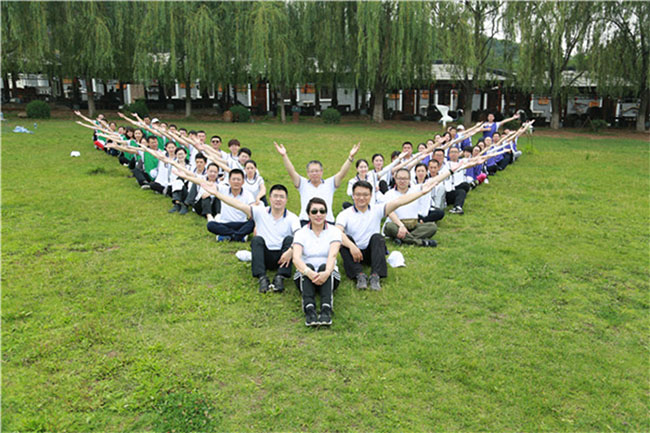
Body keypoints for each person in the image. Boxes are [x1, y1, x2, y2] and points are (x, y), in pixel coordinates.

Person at [336, 178, 443, 291]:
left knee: (377, 237)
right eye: (358, 194)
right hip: (354, 253)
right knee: (343, 240)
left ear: (371, 196)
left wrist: (421, 193)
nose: (361, 198)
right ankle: (359, 275)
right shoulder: (345, 214)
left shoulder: (377, 209)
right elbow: (337, 231)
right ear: (353, 195)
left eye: (365, 195)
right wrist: (351, 246)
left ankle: (375, 276)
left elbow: (399, 201)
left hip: (372, 253)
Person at [193, 181, 300, 293]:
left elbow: (299, 236)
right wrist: (217, 194)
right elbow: (238, 204)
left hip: (283, 256)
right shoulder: (260, 212)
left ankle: (280, 277)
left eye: (281, 197)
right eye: (275, 196)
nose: (278, 199)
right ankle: (262, 278)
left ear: (286, 200)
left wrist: (291, 250)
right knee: (256, 240)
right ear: (270, 198)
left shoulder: (292, 217)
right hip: (264, 256)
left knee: (290, 240)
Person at [274, 141, 360, 225]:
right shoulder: (302, 183)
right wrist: (284, 155)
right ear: (307, 173)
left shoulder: (330, 183)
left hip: (327, 221)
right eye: (312, 171)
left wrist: (350, 157)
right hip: (306, 221)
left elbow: (342, 173)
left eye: (317, 171)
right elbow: (291, 171)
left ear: (321, 172)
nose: (314, 173)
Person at [292, 198, 342, 327]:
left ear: (326, 213)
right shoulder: (301, 233)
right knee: (307, 266)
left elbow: (333, 255)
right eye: (314, 211)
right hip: (305, 274)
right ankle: (309, 309)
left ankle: (326, 309)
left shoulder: (334, 231)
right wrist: (309, 272)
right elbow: (296, 258)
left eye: (322, 211)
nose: (318, 214)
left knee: (324, 266)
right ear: (308, 214)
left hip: (329, 274)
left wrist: (326, 272)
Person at [206, 169, 256, 242]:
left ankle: (227, 235)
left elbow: (253, 210)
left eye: (238, 179)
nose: (236, 181)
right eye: (233, 179)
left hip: (241, 223)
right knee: (210, 225)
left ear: (243, 182)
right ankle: (238, 235)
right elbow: (211, 186)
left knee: (253, 222)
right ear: (229, 181)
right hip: (225, 223)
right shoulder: (223, 189)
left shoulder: (248, 194)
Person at [444, 147, 471, 215]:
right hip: (447, 190)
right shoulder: (445, 164)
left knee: (464, 187)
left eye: (455, 152)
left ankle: (457, 207)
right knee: (461, 191)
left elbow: (474, 160)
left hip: (457, 187)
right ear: (449, 154)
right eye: (452, 152)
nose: (454, 154)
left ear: (459, 154)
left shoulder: (462, 162)